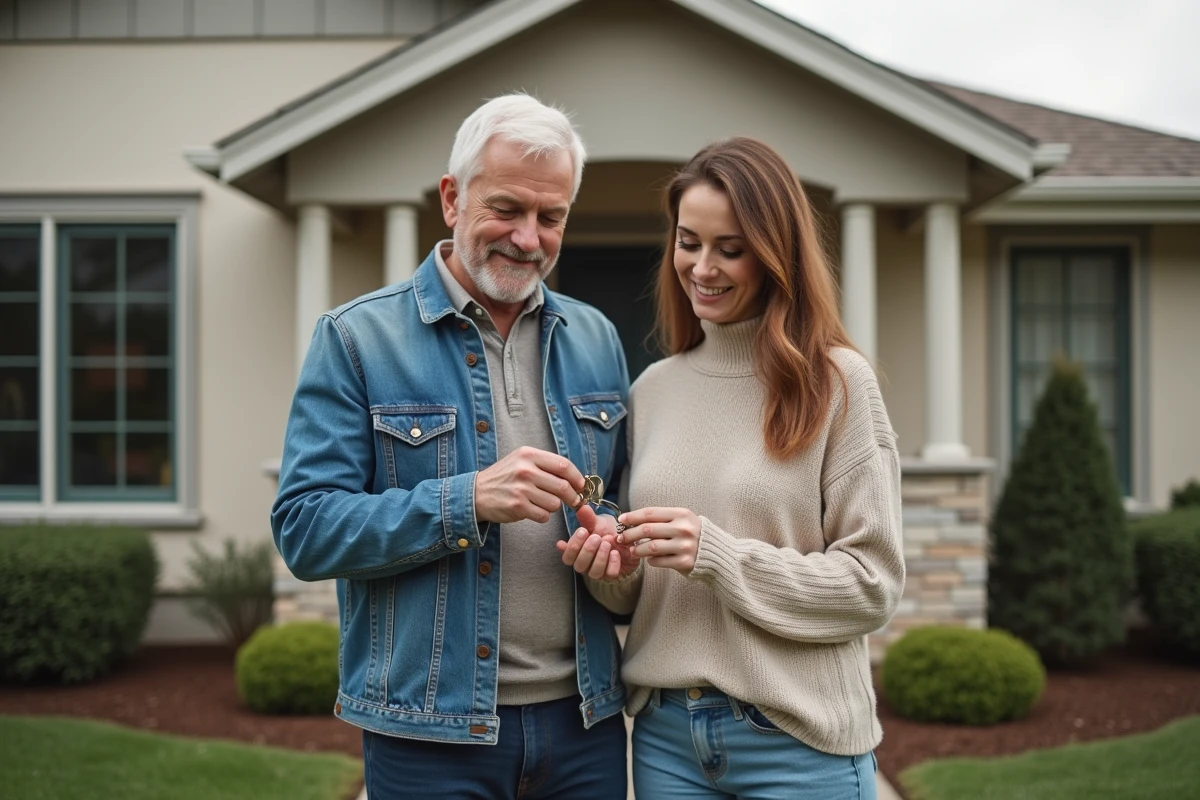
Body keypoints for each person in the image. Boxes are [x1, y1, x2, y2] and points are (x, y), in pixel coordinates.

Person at [271, 93, 631, 800]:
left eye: (550, 217)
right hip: (428, 735)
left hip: (584, 725)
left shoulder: (597, 338)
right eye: (506, 209)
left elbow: (613, 497)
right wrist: (464, 500)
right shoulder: (356, 339)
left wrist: (612, 539)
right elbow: (305, 529)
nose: (528, 238)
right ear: (451, 199)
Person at [558, 137, 905, 799]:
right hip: (665, 743)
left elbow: (872, 587)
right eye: (689, 242)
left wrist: (718, 554)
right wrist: (615, 570)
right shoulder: (652, 390)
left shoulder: (837, 385)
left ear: (777, 254)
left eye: (731, 248)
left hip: (798, 745)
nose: (702, 268)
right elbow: (644, 595)